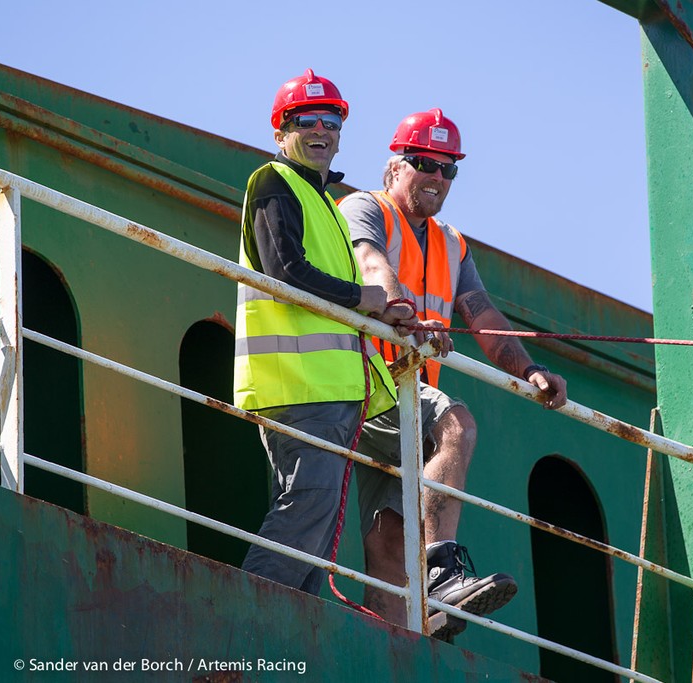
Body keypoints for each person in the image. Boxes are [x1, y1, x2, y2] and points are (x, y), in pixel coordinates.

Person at [339, 108, 569, 640]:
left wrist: (530, 369)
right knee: (456, 426)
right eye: (424, 163)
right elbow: (369, 261)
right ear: (394, 167)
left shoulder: (452, 244)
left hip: (402, 397)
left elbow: (482, 315)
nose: (437, 177)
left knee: (389, 538)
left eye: (449, 169)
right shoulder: (363, 209)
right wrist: (399, 305)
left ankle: (393, 643)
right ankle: (443, 571)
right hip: (362, 378)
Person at [234, 69, 416, 596]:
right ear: (281, 131)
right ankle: (248, 618)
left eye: (331, 121)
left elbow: (332, 292)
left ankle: (290, 634)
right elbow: (283, 268)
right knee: (307, 505)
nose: (321, 131)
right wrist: (366, 298)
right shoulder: (274, 181)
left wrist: (384, 314)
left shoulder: (326, 203)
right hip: (298, 386)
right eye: (307, 121)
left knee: (315, 535)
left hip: (330, 389)